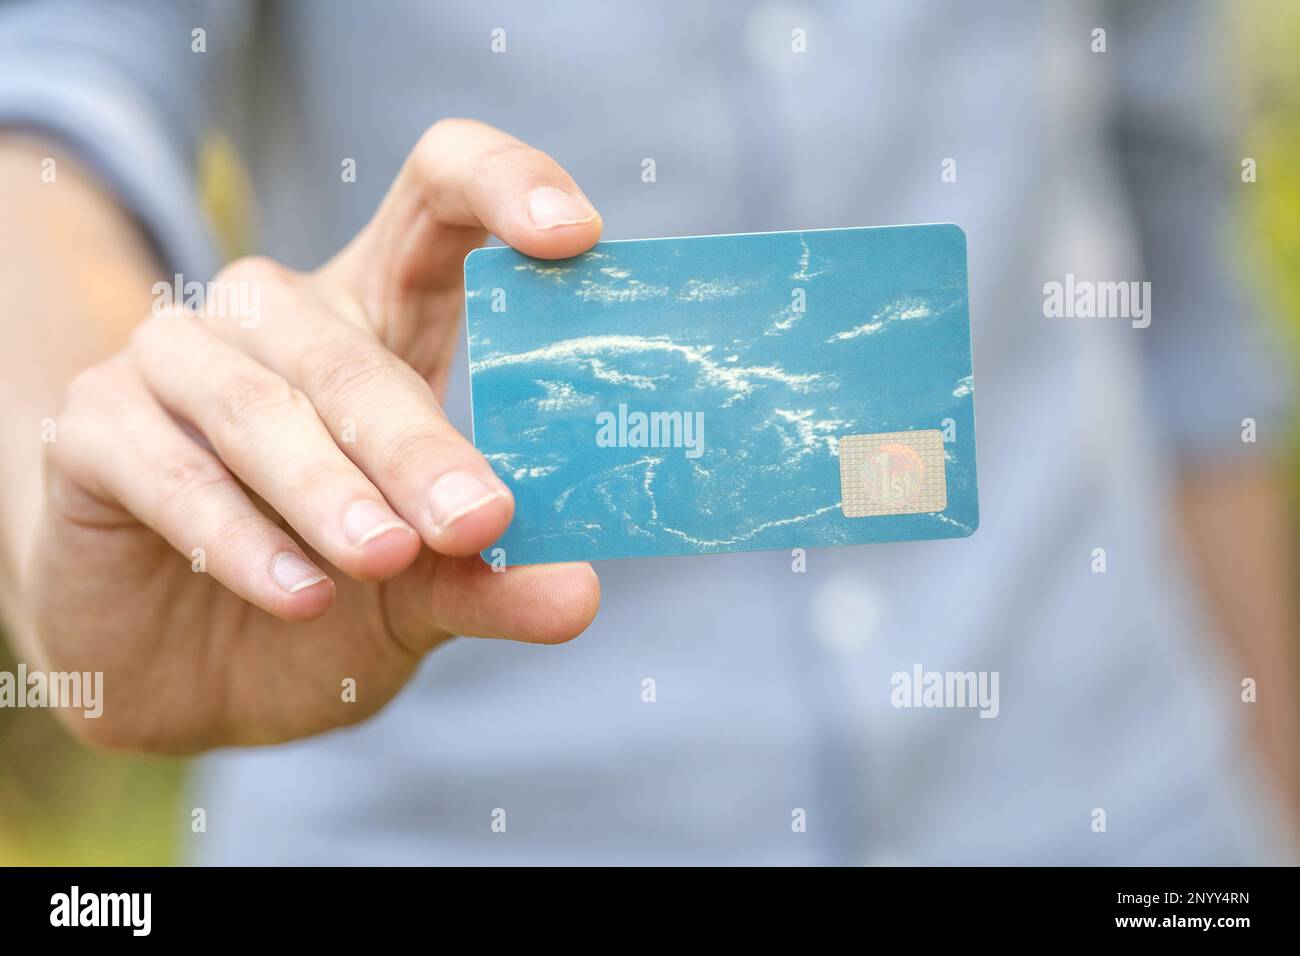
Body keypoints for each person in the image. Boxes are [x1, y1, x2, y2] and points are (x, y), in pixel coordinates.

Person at [0, 0, 1295, 864]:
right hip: (444, 804)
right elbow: (49, 116)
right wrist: (98, 482)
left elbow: (1169, 267)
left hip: (1113, 791)